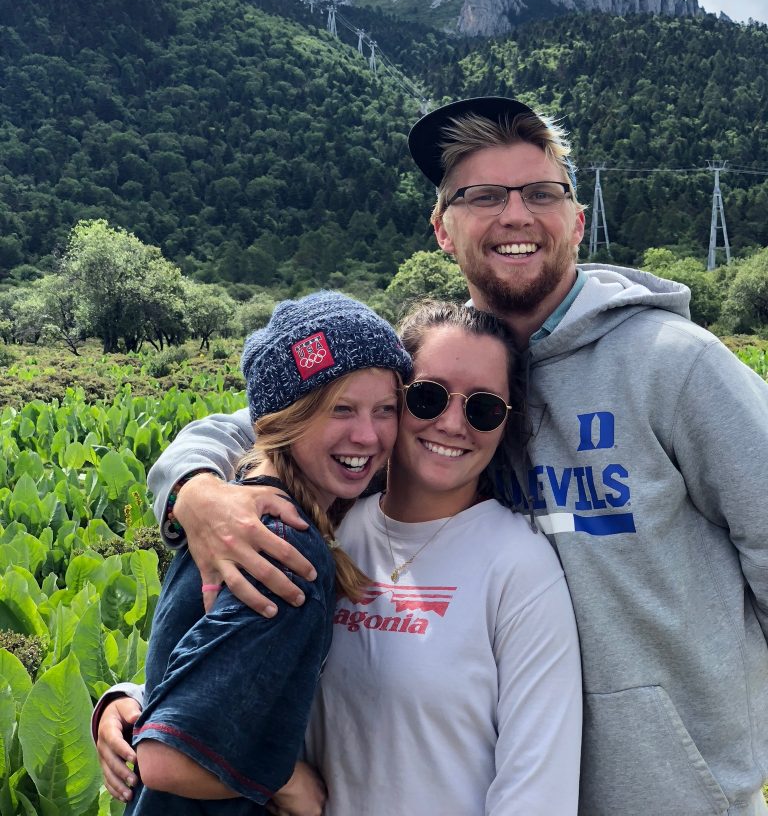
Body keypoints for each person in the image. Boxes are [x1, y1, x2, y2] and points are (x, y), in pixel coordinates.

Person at [104, 93, 768, 816]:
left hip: (667, 795)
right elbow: (277, 422)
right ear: (442, 231)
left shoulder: (674, 365)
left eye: (540, 192)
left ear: (576, 220)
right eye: (482, 196)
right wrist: (194, 490)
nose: (515, 215)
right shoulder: (418, 365)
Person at [96, 300, 583, 816]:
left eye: (483, 408)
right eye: (426, 397)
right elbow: (244, 670)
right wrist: (137, 701)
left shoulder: (519, 568)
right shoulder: (317, 526)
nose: (452, 424)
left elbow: (536, 792)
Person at [103, 290, 413, 814]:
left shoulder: (240, 501)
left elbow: (208, 664)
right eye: (340, 409)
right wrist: (285, 781)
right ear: (286, 419)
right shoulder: (276, 542)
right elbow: (168, 759)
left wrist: (134, 698)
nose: (367, 434)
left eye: (386, 409)